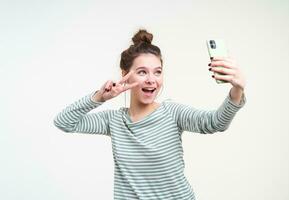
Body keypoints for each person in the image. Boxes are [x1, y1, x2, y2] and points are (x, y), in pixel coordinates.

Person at [53, 29, 246, 200]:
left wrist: (237, 89)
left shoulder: (172, 113)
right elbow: (64, 122)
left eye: (157, 72)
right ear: (124, 75)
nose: (151, 80)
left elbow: (215, 123)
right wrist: (99, 97)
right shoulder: (113, 121)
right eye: (142, 72)